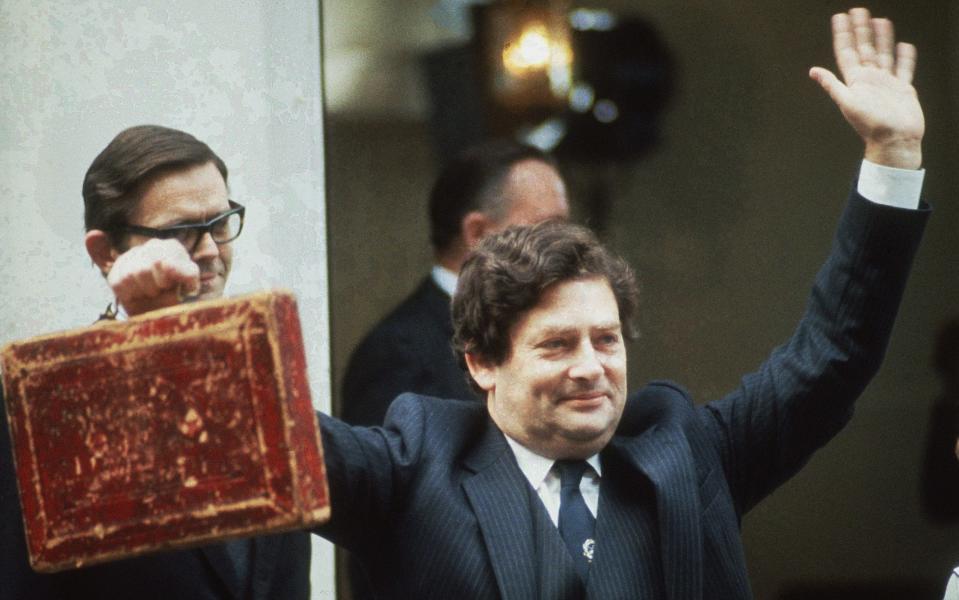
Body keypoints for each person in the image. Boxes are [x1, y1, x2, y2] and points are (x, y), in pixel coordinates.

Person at [315, 7, 929, 598]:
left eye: (605, 339)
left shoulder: (685, 451)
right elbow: (272, 445)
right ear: (481, 362)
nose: (591, 366)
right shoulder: (417, 466)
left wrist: (893, 159)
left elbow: (829, 356)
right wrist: (212, 262)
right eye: (556, 344)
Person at [0, 125, 311, 599]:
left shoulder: (266, 375)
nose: (210, 251)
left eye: (221, 224)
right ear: (106, 252)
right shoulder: (44, 405)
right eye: (181, 232)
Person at [340, 139, 570, 427]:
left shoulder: (547, 328)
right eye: (548, 228)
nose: (565, 245)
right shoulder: (397, 352)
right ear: (479, 234)